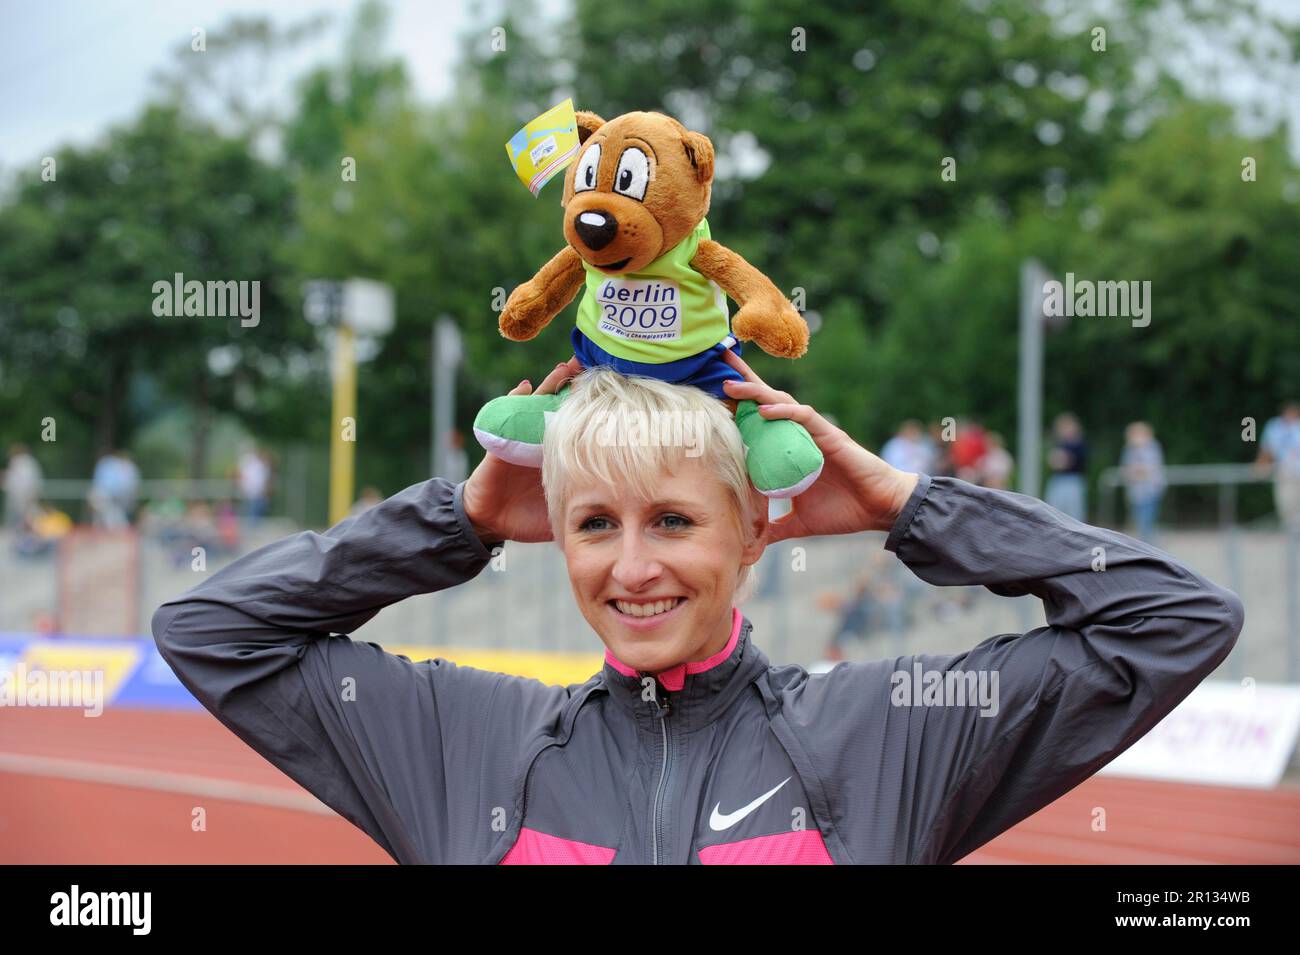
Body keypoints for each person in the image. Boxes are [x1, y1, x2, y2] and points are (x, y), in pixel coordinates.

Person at [152, 354, 1244, 865]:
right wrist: (459, 519)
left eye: (672, 520)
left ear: (754, 531)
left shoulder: (889, 730)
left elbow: (1172, 620)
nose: (631, 568)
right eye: (593, 524)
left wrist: (903, 504)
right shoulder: (463, 741)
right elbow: (212, 633)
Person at [1256, 400, 1300, 532]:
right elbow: (1267, 448)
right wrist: (1260, 465)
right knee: (1285, 503)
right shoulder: (1274, 426)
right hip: (1284, 471)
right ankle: (1292, 533)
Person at [1121, 421, 1166, 543]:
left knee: (1146, 522)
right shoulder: (1129, 450)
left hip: (1150, 491)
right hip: (1136, 493)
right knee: (1140, 523)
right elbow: (1126, 471)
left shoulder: (1152, 447)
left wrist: (1136, 470)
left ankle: (1150, 548)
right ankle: (1149, 546)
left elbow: (1149, 469)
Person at [1044, 412, 1088, 521]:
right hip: (1058, 480)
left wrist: (1060, 460)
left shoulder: (1079, 444)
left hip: (1073, 480)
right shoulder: (1060, 444)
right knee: (1053, 513)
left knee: (1074, 515)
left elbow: (1065, 462)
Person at [3, 443, 43, 529]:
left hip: (21, 494)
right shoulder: (30, 461)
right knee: (29, 514)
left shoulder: (19, 461)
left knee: (26, 514)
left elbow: (15, 480)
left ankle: (32, 529)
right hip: (28, 493)